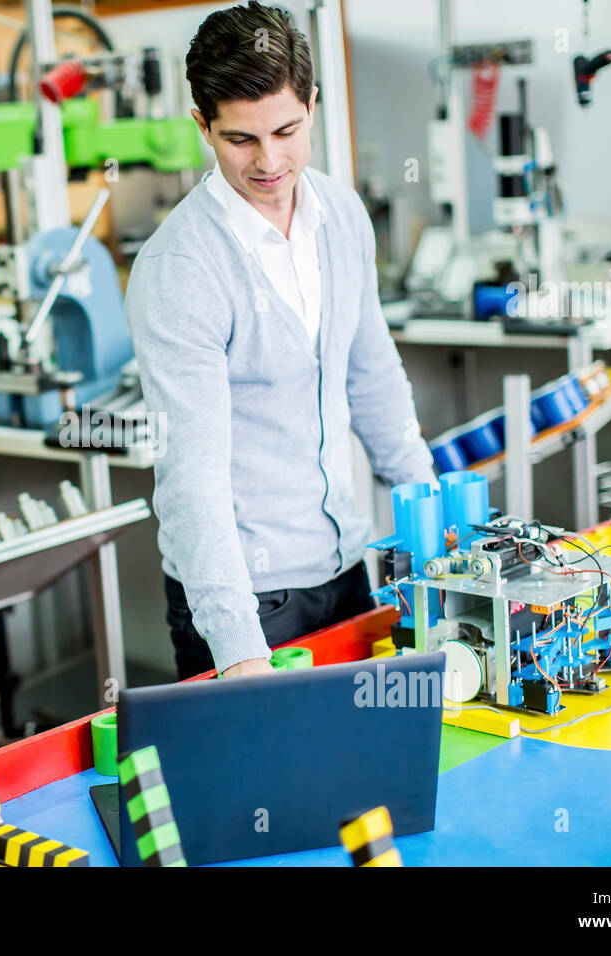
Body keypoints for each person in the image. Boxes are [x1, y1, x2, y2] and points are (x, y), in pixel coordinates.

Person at [124, 1, 435, 680]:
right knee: (261, 789)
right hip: (246, 600)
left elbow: (372, 374)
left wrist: (432, 521)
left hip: (349, 571)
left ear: (313, 104)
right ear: (202, 125)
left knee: (366, 776)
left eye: (287, 131)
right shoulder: (182, 268)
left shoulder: (341, 214)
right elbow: (192, 473)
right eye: (241, 140)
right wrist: (238, 649)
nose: (269, 161)